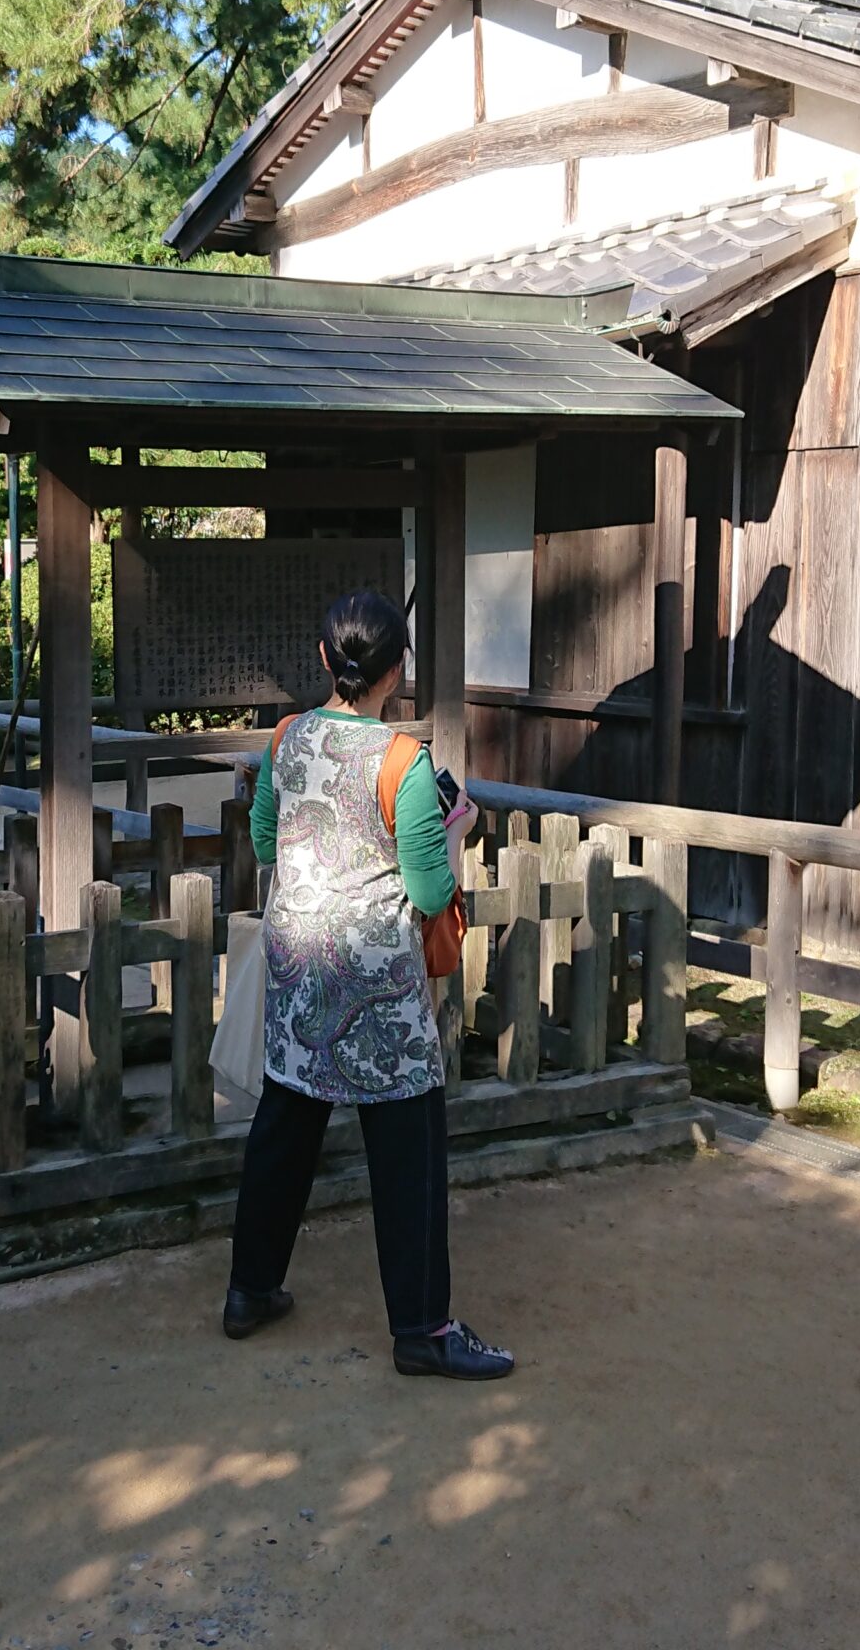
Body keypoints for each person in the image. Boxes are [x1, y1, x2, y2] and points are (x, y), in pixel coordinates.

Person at [223, 589, 514, 1381]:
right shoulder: (402, 764)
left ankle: (249, 1289)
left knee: (284, 1126)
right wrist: (457, 830)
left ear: (325, 659)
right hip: (377, 989)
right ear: (398, 672)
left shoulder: (287, 740)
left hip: (299, 967)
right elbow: (425, 893)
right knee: (409, 1147)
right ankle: (421, 1327)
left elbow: (264, 838)